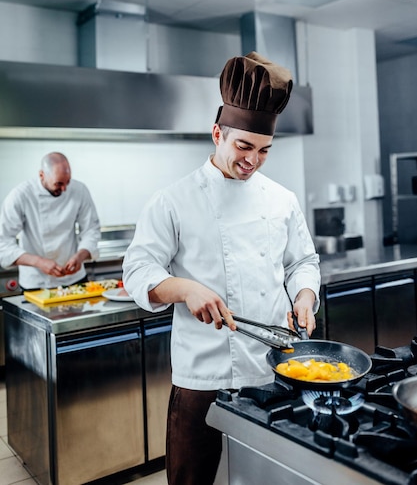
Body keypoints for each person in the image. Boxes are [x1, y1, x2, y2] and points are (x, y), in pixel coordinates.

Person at [123, 51, 321, 485]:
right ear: (217, 134)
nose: (253, 160)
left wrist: (305, 296)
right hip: (202, 375)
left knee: (267, 478)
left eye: (265, 151)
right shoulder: (172, 200)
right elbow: (138, 270)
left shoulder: (281, 200)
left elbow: (303, 262)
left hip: (273, 370)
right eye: (243, 147)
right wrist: (184, 289)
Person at [0, 152, 101, 290]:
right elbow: (3, 243)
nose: (64, 189)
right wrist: (39, 262)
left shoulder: (79, 190)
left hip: (74, 278)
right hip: (36, 282)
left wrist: (80, 255)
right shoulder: (20, 196)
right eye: (59, 183)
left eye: (67, 182)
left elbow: (91, 229)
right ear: (42, 175)